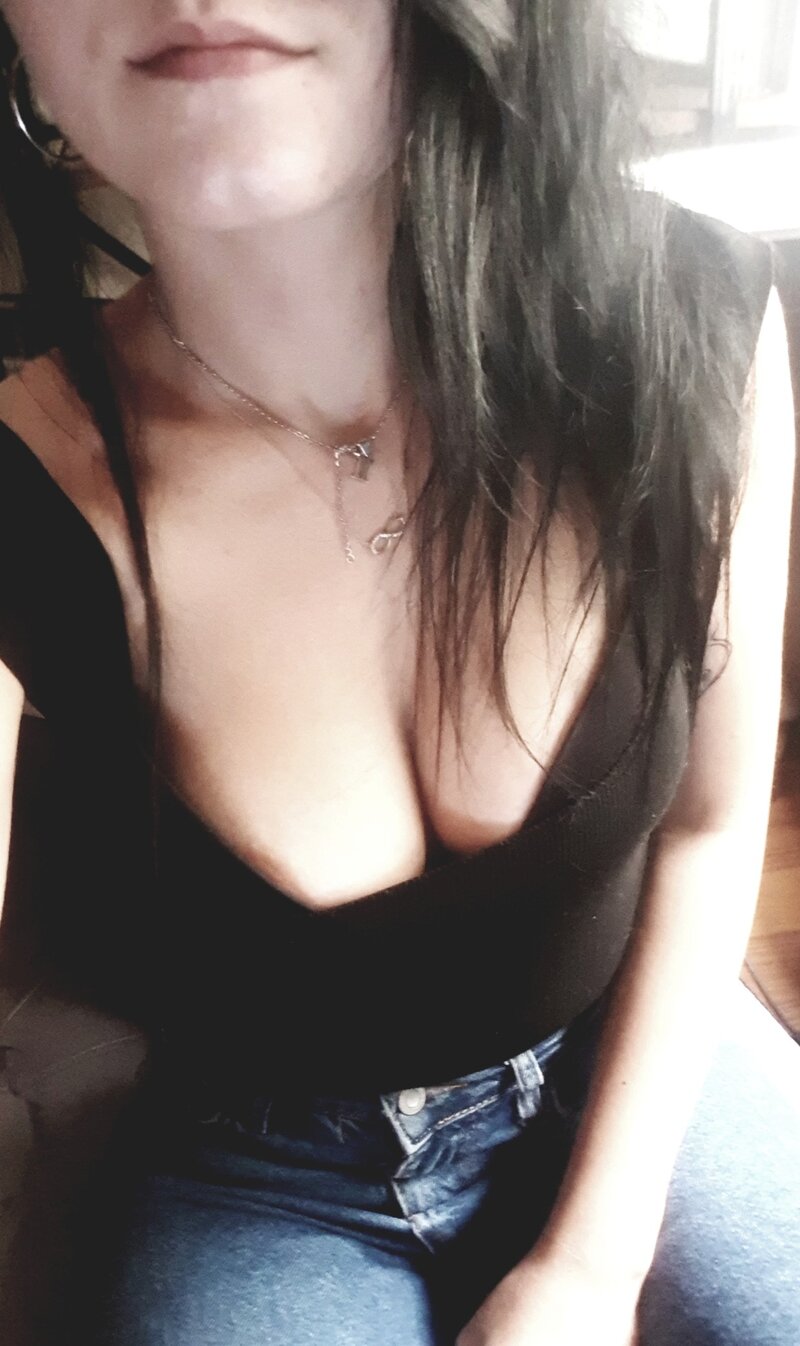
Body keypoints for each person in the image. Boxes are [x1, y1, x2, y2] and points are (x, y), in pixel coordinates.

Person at [0, 1, 798, 1344]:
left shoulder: (691, 317)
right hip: (256, 1181)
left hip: (640, 1055)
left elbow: (711, 828)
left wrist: (593, 1267)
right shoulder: (25, 480)